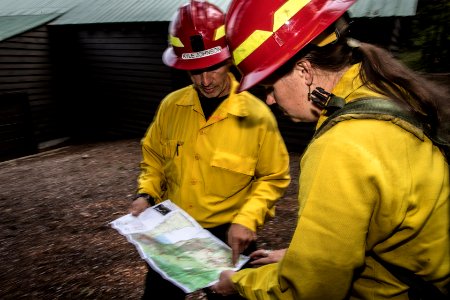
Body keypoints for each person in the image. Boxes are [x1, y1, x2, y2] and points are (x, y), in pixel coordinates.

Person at [211, 0, 450, 299]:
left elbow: (310, 290)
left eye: (269, 87)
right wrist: (302, 255)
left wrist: (238, 284)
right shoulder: (385, 95)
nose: (270, 101)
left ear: (304, 71)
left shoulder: (341, 146)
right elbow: (381, 227)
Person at [129, 1, 291, 299]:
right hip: (173, 230)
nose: (205, 81)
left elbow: (274, 177)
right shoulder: (171, 107)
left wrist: (248, 218)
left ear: (230, 59)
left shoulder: (256, 116)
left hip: (229, 238)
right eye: (194, 71)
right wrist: (146, 194)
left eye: (213, 67)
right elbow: (153, 158)